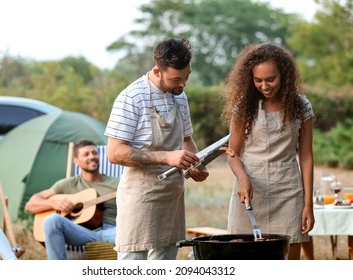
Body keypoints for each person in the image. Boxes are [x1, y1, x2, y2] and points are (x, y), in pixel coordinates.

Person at [104, 37, 212, 260]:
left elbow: (186, 141)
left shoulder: (180, 98)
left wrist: (194, 165)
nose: (182, 84)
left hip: (171, 197)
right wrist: (166, 156)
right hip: (139, 198)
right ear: (157, 70)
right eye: (176, 79)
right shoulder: (132, 97)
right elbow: (114, 153)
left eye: (186, 77)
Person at [221, 43, 315, 260]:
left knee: (287, 262)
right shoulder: (243, 107)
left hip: (288, 192)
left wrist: (308, 205)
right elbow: (232, 153)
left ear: (284, 75)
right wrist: (243, 178)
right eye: (258, 80)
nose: (264, 86)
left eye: (271, 79)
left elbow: (307, 157)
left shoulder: (301, 106)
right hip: (250, 193)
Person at [24, 139, 119, 260]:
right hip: (81, 232)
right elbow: (30, 205)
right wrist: (53, 203)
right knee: (51, 220)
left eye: (95, 153)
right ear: (76, 161)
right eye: (86, 154)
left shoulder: (118, 183)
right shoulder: (68, 184)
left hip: (112, 230)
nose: (92, 156)